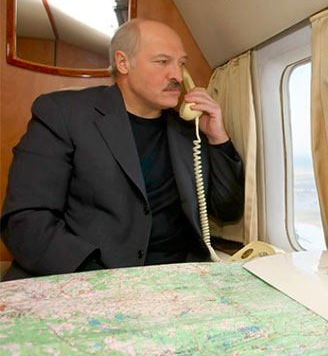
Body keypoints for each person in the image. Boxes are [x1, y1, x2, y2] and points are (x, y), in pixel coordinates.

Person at [0, 19, 244, 281]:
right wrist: (99, 280)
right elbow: (26, 220)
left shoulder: (188, 131)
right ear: (123, 63)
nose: (176, 75)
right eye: (162, 62)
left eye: (181, 63)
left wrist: (217, 136)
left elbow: (227, 211)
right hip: (87, 274)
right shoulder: (63, 114)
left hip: (174, 278)